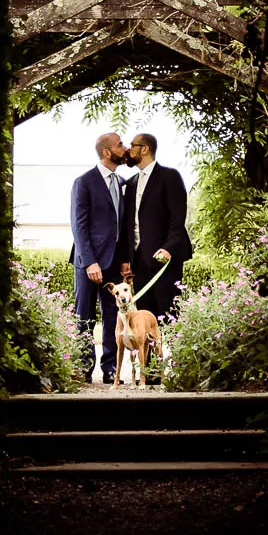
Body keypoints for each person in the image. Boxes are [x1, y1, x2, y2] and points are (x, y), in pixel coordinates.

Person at [119, 133, 193, 367]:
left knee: (169, 314)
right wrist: (127, 260)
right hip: (139, 262)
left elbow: (177, 218)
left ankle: (179, 367)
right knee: (144, 319)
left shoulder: (169, 177)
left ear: (145, 149)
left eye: (133, 146)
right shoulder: (130, 184)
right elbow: (128, 226)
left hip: (165, 261)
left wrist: (168, 249)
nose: (128, 150)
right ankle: (149, 372)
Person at [69, 132, 130, 383]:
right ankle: (83, 367)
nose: (125, 148)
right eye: (120, 145)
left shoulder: (122, 182)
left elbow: (122, 225)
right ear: (107, 152)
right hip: (88, 262)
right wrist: (90, 261)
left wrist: (125, 259)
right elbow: (78, 225)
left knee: (113, 316)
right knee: (84, 315)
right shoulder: (84, 182)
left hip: (115, 261)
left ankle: (110, 368)